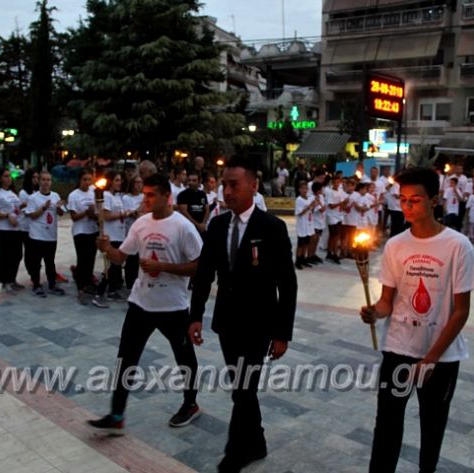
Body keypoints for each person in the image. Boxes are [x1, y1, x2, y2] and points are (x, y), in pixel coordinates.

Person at [359, 166, 474, 473]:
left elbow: (461, 310)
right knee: (387, 424)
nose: (407, 206)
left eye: (415, 199)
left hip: (440, 356)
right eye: (402, 199)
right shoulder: (396, 245)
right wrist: (375, 311)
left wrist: (431, 359)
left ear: (435, 200)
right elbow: (388, 301)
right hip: (398, 348)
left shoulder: (457, 246)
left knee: (432, 426)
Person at [189, 156, 297, 473]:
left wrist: (282, 333)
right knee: (241, 387)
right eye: (223, 185)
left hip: (259, 324)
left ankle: (235, 452)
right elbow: (205, 273)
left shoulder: (272, 228)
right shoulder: (219, 225)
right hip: (227, 322)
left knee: (243, 388)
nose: (227, 191)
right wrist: (195, 316)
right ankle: (258, 440)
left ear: (252, 185)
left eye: (233, 184)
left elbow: (286, 284)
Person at [88, 173, 202, 434]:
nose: (145, 199)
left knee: (184, 356)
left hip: (172, 306)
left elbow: (199, 267)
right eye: (144, 194)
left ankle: (190, 403)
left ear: (166, 196)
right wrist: (107, 249)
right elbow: (119, 258)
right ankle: (117, 414)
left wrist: (162, 266)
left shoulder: (183, 227)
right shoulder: (140, 224)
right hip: (140, 304)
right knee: (126, 357)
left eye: (151, 195)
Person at [24, 171, 66, 297]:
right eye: (43, 179)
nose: (46, 182)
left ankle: (52, 284)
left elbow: (61, 213)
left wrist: (59, 208)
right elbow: (31, 215)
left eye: (48, 180)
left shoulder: (55, 196)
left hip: (51, 235)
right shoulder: (33, 198)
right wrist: (43, 208)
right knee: (36, 262)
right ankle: (36, 285)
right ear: (39, 181)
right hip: (37, 235)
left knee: (50, 262)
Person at [0, 168, 24, 295]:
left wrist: (21, 207)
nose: (9, 178)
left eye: (9, 176)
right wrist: (7, 216)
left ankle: (12, 279)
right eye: (5, 176)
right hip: (3, 230)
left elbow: (15, 209)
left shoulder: (13, 193)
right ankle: (5, 282)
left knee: (17, 255)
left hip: (16, 229)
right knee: (6, 257)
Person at [68, 168, 99, 305]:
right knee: (83, 258)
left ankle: (88, 282)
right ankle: (80, 286)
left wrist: (94, 213)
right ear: (80, 180)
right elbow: (74, 217)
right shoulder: (74, 195)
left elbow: (97, 211)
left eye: (89, 179)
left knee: (91, 258)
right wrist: (86, 212)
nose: (87, 182)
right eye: (84, 179)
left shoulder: (94, 192)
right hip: (80, 231)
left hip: (92, 229)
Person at [101, 171, 127, 302]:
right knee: (112, 264)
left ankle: (114, 286)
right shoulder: (106, 195)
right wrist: (123, 215)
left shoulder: (117, 196)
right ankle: (108, 289)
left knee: (117, 263)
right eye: (116, 180)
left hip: (119, 233)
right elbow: (106, 215)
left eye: (120, 180)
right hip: (111, 234)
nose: (119, 183)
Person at [122, 175, 144, 290]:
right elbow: (131, 213)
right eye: (137, 182)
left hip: (143, 231)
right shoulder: (127, 198)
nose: (139, 185)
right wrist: (139, 210)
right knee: (131, 259)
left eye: (141, 182)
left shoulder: (144, 196)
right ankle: (129, 283)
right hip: (130, 230)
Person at [19, 170, 39, 277]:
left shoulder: (37, 191)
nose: (36, 180)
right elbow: (25, 210)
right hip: (25, 227)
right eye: (33, 177)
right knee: (29, 252)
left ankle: (35, 271)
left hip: (35, 226)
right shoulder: (23, 193)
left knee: (35, 252)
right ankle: (32, 273)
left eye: (37, 177)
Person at [177, 170, 209, 236]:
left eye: (194, 180)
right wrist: (197, 225)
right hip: (188, 228)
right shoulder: (182, 195)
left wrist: (203, 224)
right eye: (189, 180)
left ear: (199, 181)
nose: (191, 182)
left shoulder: (202, 194)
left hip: (202, 228)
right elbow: (184, 213)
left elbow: (207, 209)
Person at [294, 180, 315, 269]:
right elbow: (299, 213)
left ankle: (304, 258)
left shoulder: (309, 198)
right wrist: (309, 207)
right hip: (302, 225)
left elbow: (312, 210)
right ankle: (298, 260)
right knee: (300, 244)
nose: (304, 190)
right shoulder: (299, 200)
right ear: (299, 189)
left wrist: (313, 206)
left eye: (306, 188)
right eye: (302, 188)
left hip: (308, 224)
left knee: (306, 243)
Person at [325, 175, 345, 264]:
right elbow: (331, 206)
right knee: (335, 235)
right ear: (332, 183)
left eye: (338, 182)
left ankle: (329, 252)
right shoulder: (330, 192)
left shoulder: (341, 191)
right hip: (331, 216)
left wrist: (344, 204)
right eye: (335, 182)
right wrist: (340, 203)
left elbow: (343, 203)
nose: (336, 184)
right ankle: (334, 253)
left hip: (339, 215)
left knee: (333, 235)